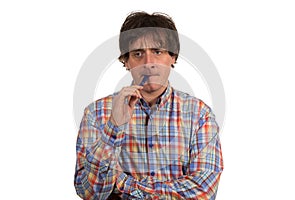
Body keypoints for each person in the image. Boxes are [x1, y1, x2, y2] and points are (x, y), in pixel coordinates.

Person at [74, 11, 224, 200]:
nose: (148, 63)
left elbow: (203, 191)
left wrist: (124, 184)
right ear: (126, 61)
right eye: (138, 54)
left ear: (173, 57)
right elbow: (89, 192)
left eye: (157, 52)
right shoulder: (96, 114)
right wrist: (113, 127)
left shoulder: (199, 115)